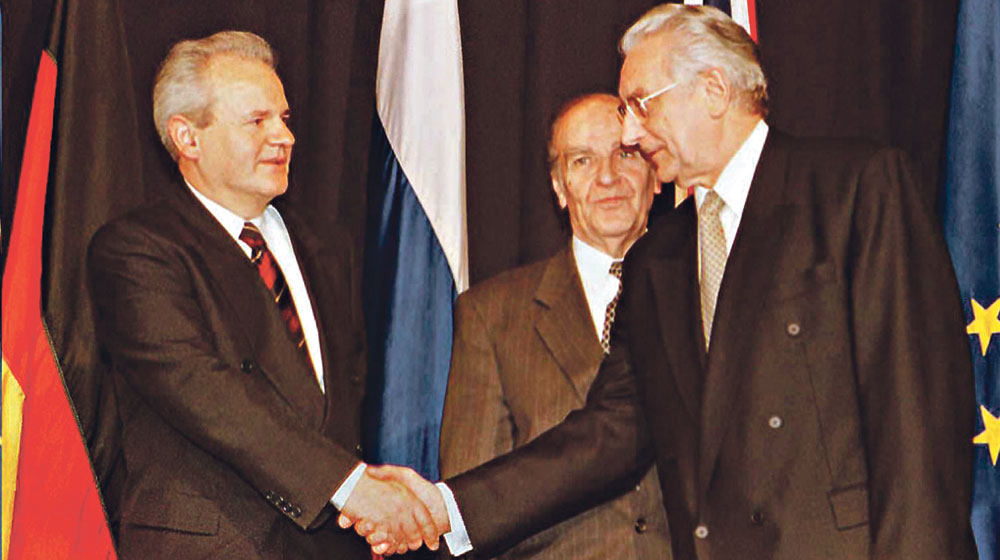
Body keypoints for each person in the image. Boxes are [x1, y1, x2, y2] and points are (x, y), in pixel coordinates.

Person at [347, 5, 978, 559]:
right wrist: (446, 507)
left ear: (713, 90)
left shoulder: (854, 193)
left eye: (640, 105)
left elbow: (917, 424)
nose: (629, 133)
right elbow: (608, 434)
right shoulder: (661, 257)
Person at [88, 31, 440, 558]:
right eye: (257, 121)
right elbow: (207, 394)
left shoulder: (327, 246)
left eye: (284, 118)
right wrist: (350, 486)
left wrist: (363, 487)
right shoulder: (136, 251)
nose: (284, 136)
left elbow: (340, 405)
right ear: (188, 138)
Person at [439, 93, 671, 559]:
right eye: (583, 161)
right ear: (559, 187)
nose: (608, 177)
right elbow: (472, 501)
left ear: (656, 175)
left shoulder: (702, 290)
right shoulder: (491, 316)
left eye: (626, 155)